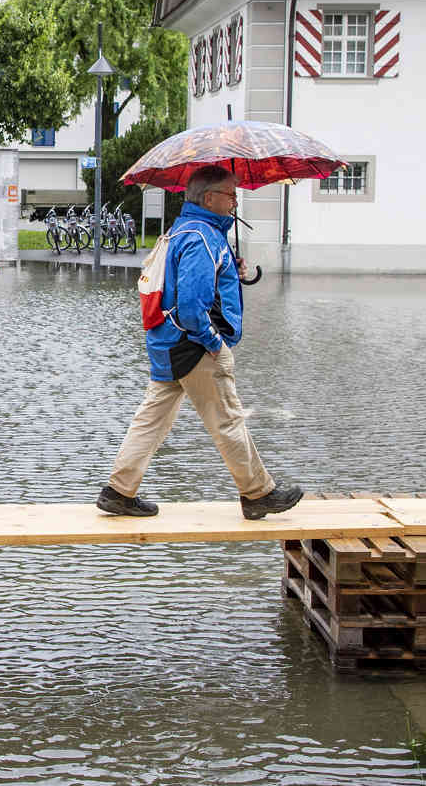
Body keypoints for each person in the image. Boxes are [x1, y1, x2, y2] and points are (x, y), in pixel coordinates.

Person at [97, 165, 302, 521]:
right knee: (227, 419)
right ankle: (258, 494)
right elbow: (192, 303)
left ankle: (118, 491)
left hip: (167, 343)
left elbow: (188, 283)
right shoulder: (203, 236)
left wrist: (229, 269)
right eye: (230, 194)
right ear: (209, 198)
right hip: (193, 346)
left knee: (151, 420)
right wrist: (212, 342)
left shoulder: (188, 231)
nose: (236, 201)